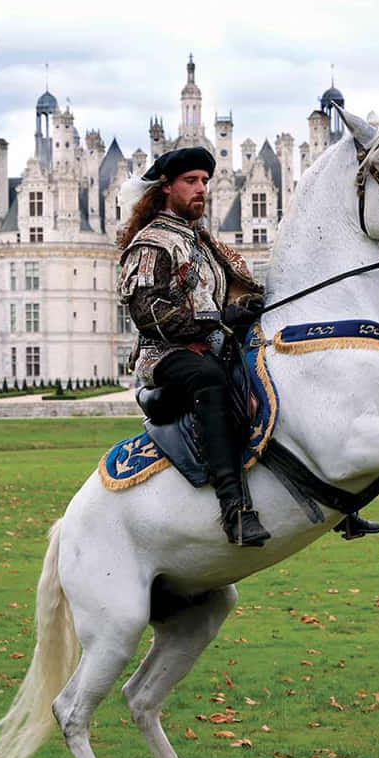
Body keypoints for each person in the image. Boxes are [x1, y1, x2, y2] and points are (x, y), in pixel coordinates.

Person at [117, 147, 270, 547]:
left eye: (204, 181)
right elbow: (147, 310)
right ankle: (233, 507)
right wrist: (215, 323)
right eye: (191, 181)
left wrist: (242, 307)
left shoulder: (202, 242)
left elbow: (218, 297)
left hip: (212, 344)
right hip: (165, 355)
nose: (201, 188)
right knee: (209, 380)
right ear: (166, 187)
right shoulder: (152, 242)